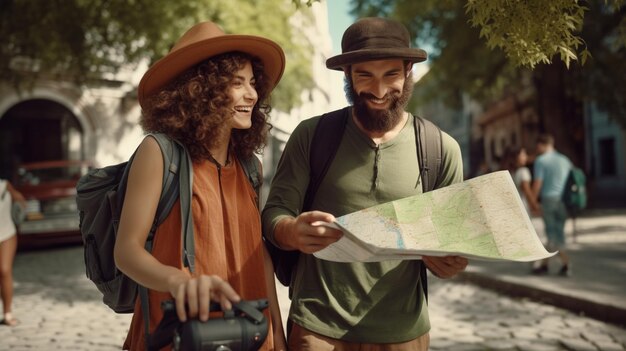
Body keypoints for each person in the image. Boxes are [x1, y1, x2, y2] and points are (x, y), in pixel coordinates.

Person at [262, 17, 468, 350]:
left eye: (392, 75)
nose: (380, 90)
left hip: (405, 333)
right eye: (365, 76)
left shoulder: (441, 149)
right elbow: (274, 214)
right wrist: (292, 231)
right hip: (317, 331)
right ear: (347, 75)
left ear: (408, 72)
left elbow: (453, 243)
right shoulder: (312, 136)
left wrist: (450, 262)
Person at [113, 21, 287, 350]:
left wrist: (277, 334)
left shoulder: (250, 165)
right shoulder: (160, 153)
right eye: (237, 83)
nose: (252, 93)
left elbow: (258, 252)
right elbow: (126, 251)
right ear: (200, 89)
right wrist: (179, 281)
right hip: (182, 333)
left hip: (249, 332)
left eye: (252, 82)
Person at [530, 134, 572, 276]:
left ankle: (566, 264)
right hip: (564, 201)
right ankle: (546, 265)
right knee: (559, 233)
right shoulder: (565, 160)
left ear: (542, 145)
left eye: (538, 146)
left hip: (549, 199)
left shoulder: (541, 161)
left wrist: (533, 201)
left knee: (552, 234)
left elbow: (537, 183)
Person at [0, 178, 25, 327]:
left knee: (4, 270)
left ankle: (7, 314)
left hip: (6, 233)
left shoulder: (4, 185)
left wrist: (18, 211)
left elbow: (21, 201)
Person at [504, 147, 537, 213]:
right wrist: (534, 206)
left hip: (512, 207)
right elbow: (527, 191)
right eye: (523, 155)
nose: (526, 157)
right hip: (523, 206)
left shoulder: (509, 172)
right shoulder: (523, 171)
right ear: (516, 157)